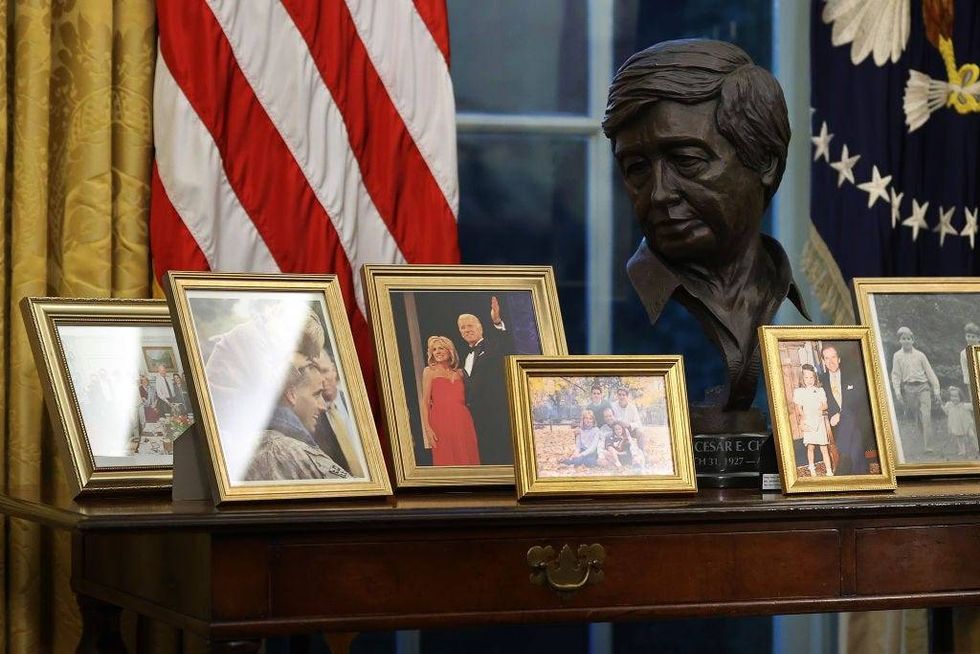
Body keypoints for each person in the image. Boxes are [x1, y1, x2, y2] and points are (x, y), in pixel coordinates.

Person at [602, 39, 809, 411]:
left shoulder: (783, 292)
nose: (659, 193)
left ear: (765, 161)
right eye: (637, 168)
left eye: (687, 161)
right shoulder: (610, 308)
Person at [243, 352, 350, 481]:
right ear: (291, 394)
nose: (323, 406)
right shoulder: (291, 451)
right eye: (316, 395)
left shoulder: (252, 445)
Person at [457, 296, 516, 465]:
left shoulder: (493, 346)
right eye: (462, 328)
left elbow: (506, 343)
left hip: (496, 414)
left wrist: (497, 321)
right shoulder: (464, 357)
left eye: (470, 326)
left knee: (502, 456)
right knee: (485, 457)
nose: (466, 330)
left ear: (480, 327)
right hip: (475, 418)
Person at [420, 335, 480, 466]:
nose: (437, 352)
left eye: (441, 348)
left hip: (463, 420)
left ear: (450, 350)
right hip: (440, 421)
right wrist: (428, 429)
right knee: (446, 459)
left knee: (468, 457)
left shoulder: (460, 373)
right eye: (434, 349)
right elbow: (425, 402)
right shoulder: (429, 371)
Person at [311, 349, 367, 478]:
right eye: (316, 373)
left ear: (334, 370)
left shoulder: (358, 403)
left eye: (325, 371)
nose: (322, 379)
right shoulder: (312, 420)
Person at [819, 344, 874, 475]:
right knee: (855, 447)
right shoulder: (822, 380)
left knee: (849, 419)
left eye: (833, 357)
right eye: (827, 358)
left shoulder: (852, 375)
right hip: (838, 427)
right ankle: (860, 474)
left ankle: (843, 463)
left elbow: (859, 400)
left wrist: (840, 414)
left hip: (856, 419)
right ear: (824, 361)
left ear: (839, 359)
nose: (831, 361)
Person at [890, 326, 941, 452]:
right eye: (903, 338)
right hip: (909, 389)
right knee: (918, 416)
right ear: (899, 340)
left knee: (926, 415)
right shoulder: (897, 356)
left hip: (923, 387)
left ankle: (928, 446)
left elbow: (930, 373)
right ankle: (924, 436)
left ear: (913, 340)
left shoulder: (920, 355)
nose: (906, 341)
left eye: (909, 338)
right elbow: (896, 375)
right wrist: (897, 392)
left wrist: (936, 391)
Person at [793, 364, 834, 477]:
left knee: (824, 447)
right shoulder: (799, 392)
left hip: (819, 421)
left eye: (811, 377)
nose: (809, 380)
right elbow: (799, 409)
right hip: (808, 421)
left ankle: (829, 470)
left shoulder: (820, 390)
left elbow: (825, 405)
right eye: (806, 378)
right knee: (810, 446)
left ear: (815, 378)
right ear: (802, 378)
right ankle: (811, 467)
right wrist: (804, 419)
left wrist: (820, 408)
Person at [943, 386, 976, 458]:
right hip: (957, 424)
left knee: (971, 435)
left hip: (966, 424)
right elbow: (946, 411)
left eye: (956, 396)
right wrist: (940, 404)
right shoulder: (949, 405)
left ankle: (977, 447)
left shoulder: (964, 405)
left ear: (960, 397)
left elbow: (973, 406)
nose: (954, 398)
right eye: (952, 396)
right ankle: (962, 450)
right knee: (959, 437)